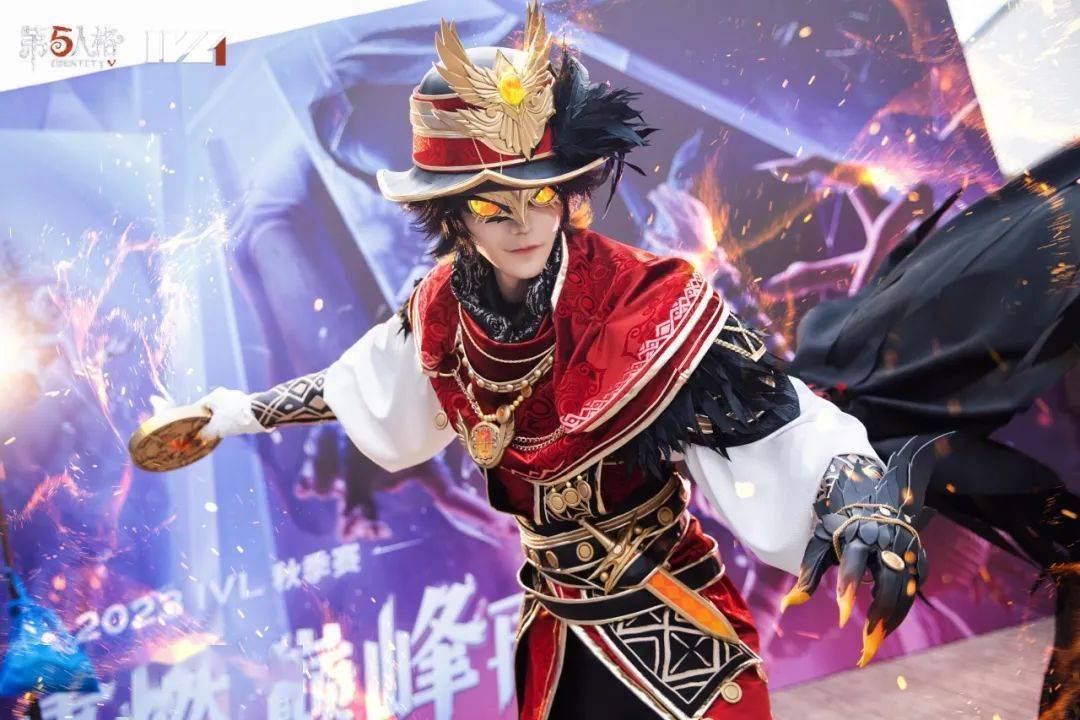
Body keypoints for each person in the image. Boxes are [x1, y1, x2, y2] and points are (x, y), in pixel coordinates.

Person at [190, 4, 939, 717]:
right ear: (450, 213)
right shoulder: (440, 307)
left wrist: (856, 498)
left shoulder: (641, 297)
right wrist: (233, 414)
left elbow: (774, 417)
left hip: (673, 622)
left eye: (541, 195)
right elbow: (360, 387)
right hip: (556, 630)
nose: (525, 223)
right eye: (493, 206)